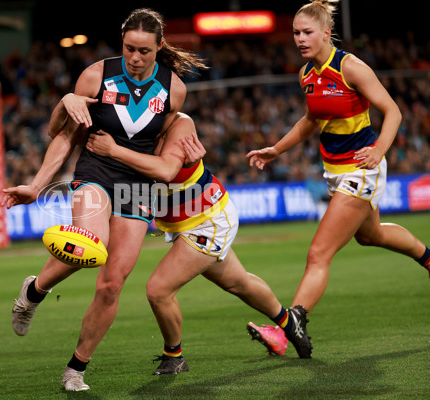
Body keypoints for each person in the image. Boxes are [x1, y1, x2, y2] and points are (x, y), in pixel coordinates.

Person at [1, 8, 207, 391]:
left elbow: (161, 147)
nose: (135, 57)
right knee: (88, 244)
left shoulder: (174, 89)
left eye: (145, 50)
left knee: (112, 284)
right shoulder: (97, 75)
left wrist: (187, 160)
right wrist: (36, 184)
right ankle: (33, 294)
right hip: (96, 171)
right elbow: (61, 135)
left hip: (139, 183)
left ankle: (75, 368)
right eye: (130, 48)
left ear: (159, 47)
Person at [245, 0, 430, 354]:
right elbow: (310, 121)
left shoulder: (350, 67)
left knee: (318, 253)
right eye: (296, 33)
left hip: (361, 169)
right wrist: (276, 149)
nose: (300, 39)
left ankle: (291, 323)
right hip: (336, 171)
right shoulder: (306, 74)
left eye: (307, 32)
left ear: (326, 33)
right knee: (370, 235)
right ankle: (428, 258)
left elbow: (393, 111)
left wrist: (379, 151)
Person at [85, 112, 313, 374]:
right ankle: (289, 320)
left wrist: (114, 151)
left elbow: (164, 170)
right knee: (239, 283)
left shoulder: (178, 123)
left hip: (207, 220)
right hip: (186, 223)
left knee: (159, 290)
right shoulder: (129, 129)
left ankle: (174, 356)